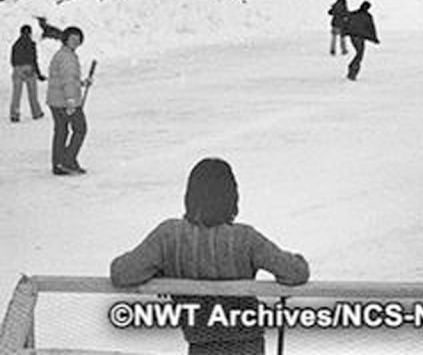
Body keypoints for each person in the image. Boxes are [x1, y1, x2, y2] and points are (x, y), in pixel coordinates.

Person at [110, 157, 310, 355]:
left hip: (200, 344)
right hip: (247, 345)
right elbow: (295, 272)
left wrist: (160, 273)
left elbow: (123, 272)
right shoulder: (244, 238)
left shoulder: (169, 236)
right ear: (231, 197)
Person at [46, 26, 90, 175]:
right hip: (65, 101)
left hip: (56, 100)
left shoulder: (63, 54)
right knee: (80, 129)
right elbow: (67, 81)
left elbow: (67, 79)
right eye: (73, 39)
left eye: (78, 40)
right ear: (65, 39)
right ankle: (68, 161)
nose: (76, 42)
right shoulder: (67, 57)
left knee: (61, 131)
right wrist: (71, 100)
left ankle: (58, 163)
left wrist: (82, 83)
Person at [10, 25, 46, 122]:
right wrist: (39, 74)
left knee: (16, 95)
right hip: (30, 69)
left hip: (17, 69)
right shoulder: (32, 44)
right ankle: (36, 113)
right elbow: (34, 60)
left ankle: (15, 114)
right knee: (32, 94)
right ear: (30, 33)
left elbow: (12, 60)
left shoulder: (15, 45)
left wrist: (18, 68)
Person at [343, 0, 379, 80]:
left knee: (359, 54)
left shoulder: (354, 14)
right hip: (360, 37)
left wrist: (345, 32)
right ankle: (352, 71)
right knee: (359, 54)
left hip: (353, 36)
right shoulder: (368, 16)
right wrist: (374, 38)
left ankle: (352, 70)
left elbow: (346, 22)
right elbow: (371, 28)